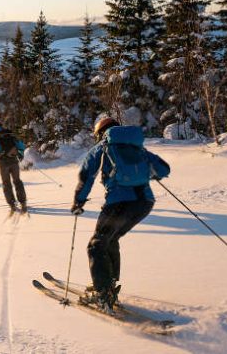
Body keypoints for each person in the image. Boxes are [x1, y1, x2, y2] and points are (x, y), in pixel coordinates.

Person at [71, 117, 171, 312]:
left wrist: (78, 201)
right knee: (110, 239)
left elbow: (87, 175)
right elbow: (164, 169)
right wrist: (148, 174)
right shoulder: (137, 148)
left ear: (101, 133)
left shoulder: (102, 147)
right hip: (144, 203)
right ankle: (108, 284)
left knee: (96, 245)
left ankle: (103, 293)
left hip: (119, 203)